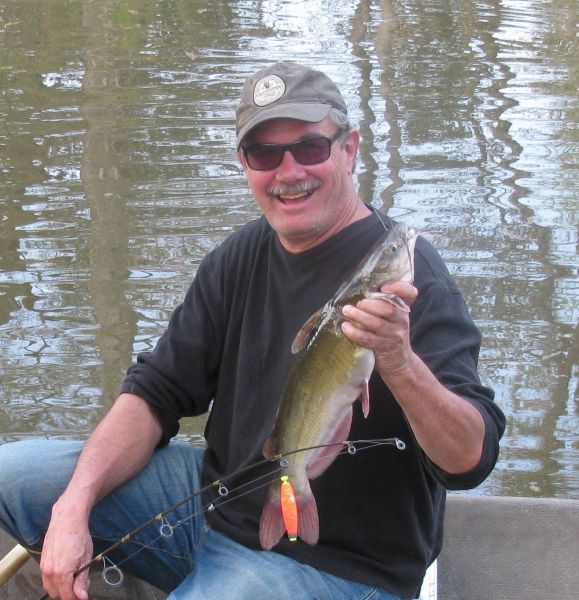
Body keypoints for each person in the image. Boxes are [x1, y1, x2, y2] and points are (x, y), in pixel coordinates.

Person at [0, 61, 505, 600]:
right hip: (216, 507)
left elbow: (469, 460)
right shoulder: (240, 255)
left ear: (349, 149)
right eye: (264, 154)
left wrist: (400, 362)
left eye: (310, 147)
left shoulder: (413, 281)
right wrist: (73, 506)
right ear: (244, 164)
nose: (289, 172)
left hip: (341, 565)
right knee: (15, 475)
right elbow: (156, 392)